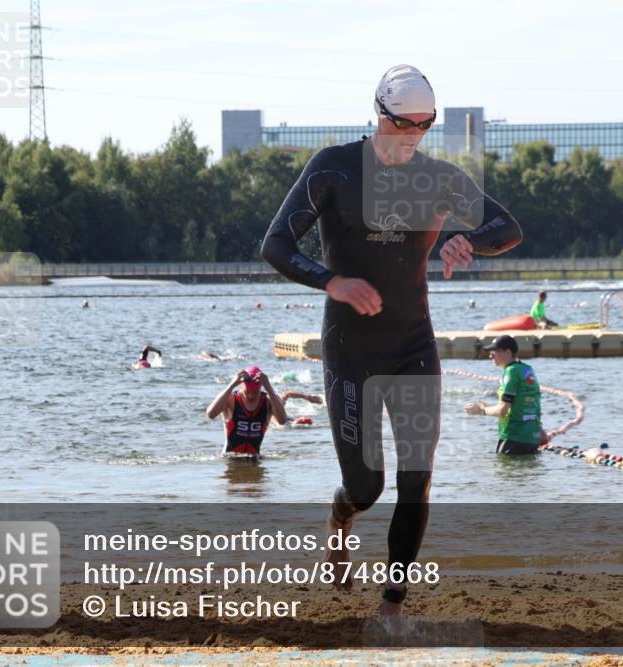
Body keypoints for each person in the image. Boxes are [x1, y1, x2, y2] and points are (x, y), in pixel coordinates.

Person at [260, 64, 522, 617]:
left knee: (416, 479)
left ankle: (393, 600)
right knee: (366, 485)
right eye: (405, 125)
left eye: (426, 126)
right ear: (380, 114)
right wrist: (331, 279)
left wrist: (466, 243)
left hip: (412, 346)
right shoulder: (333, 170)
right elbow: (276, 244)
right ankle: (340, 520)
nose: (414, 137)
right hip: (349, 348)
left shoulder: (438, 176)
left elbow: (508, 228)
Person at [464, 335, 545, 455]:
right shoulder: (527, 370)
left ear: (508, 352)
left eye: (494, 351)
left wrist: (481, 410)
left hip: (513, 437)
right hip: (532, 437)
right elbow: (525, 404)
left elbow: (502, 411)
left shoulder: (510, 372)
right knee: (526, 473)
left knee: (505, 473)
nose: (490, 355)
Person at [206, 366, 293, 457]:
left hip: (255, 459)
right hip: (230, 459)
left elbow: (282, 421)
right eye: (247, 392)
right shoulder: (230, 398)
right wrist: (231, 385)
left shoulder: (268, 400)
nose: (251, 395)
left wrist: (269, 388)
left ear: (260, 388)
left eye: (254, 392)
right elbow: (211, 414)